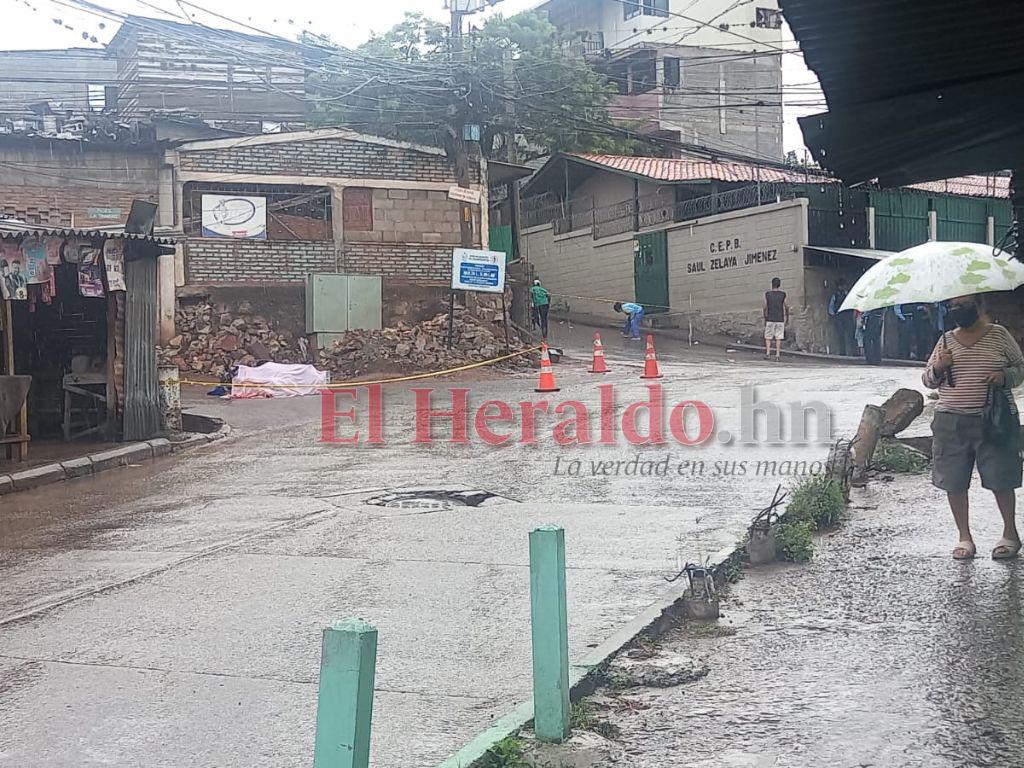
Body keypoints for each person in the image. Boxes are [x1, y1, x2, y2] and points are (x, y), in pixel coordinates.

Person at [923, 295, 1024, 561]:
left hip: (994, 420)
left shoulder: (999, 335)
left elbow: (1020, 367)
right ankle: (964, 537)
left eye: (964, 305)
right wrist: (939, 366)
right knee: (954, 481)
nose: (958, 311)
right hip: (951, 422)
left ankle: (1010, 534)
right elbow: (928, 381)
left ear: (979, 306)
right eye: (953, 307)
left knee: (1001, 478)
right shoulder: (945, 340)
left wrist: (1004, 377)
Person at [827, 279, 856, 356]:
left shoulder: (848, 295)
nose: (842, 287)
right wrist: (834, 315)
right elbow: (831, 307)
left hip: (848, 317)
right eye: (841, 286)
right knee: (841, 335)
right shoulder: (835, 296)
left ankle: (854, 352)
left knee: (851, 335)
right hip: (840, 317)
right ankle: (842, 352)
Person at [763, 277, 789, 361]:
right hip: (780, 318)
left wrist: (765, 317)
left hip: (770, 318)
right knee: (778, 337)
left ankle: (768, 353)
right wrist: (787, 317)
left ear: (772, 284)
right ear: (779, 285)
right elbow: (786, 306)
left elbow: (765, 307)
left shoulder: (768, 294)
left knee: (768, 337)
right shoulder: (782, 294)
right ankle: (777, 355)